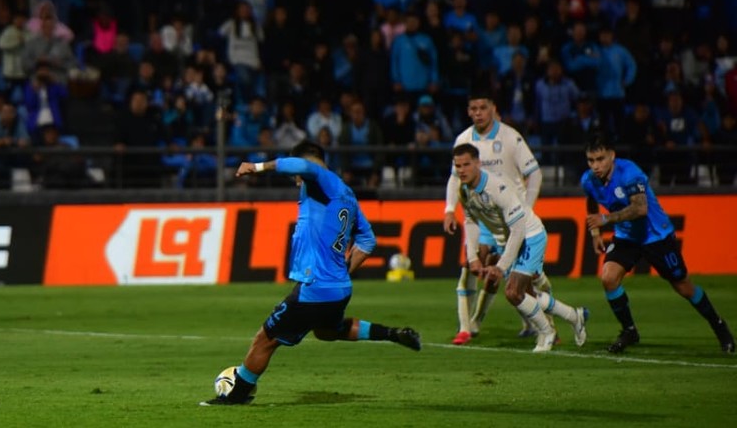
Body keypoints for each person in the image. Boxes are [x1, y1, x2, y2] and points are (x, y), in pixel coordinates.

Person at [202, 140, 421, 406]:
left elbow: (305, 166)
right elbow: (367, 240)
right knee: (327, 331)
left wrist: (257, 167)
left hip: (315, 286)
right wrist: (342, 271)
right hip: (339, 288)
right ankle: (391, 333)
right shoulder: (348, 194)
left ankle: (236, 396)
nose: (297, 180)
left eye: (296, 175)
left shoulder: (322, 179)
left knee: (265, 340)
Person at [582, 135, 734, 354]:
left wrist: (605, 219)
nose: (595, 166)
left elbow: (640, 209)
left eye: (600, 159)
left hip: (655, 236)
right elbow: (591, 198)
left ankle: (719, 325)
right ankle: (629, 330)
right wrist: (595, 233)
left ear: (612, 156)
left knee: (683, 287)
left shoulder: (630, 173)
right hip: (627, 237)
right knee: (608, 278)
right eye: (591, 160)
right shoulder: (589, 179)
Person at [452, 143, 589, 352]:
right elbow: (470, 221)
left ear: (478, 163)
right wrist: (472, 257)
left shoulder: (497, 188)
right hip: (509, 240)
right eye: (458, 166)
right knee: (526, 294)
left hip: (529, 236)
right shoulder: (463, 189)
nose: (461, 170)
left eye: (466, 165)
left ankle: (547, 332)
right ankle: (574, 316)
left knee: (513, 292)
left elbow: (518, 229)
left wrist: (501, 266)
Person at [442, 91, 550, 345]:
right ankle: (468, 326)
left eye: (482, 107)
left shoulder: (511, 137)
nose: (478, 113)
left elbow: (534, 174)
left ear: (493, 108)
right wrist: (449, 209)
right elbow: (454, 178)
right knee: (471, 264)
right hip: (482, 217)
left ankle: (546, 322)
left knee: (527, 278)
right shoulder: (463, 139)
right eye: (473, 108)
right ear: (468, 111)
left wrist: (527, 208)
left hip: (511, 219)